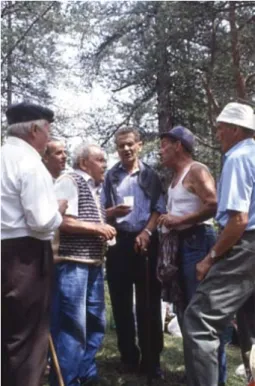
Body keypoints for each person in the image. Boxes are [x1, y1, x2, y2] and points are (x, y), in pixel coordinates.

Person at [182, 102, 255, 386]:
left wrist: (210, 257)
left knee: (199, 321)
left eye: (221, 129)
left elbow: (238, 219)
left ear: (236, 130)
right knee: (250, 325)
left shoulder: (239, 157)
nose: (218, 135)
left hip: (244, 245)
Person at [1, 102, 67, 386]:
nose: (49, 138)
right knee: (28, 343)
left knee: (5, 335)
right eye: (48, 131)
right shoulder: (30, 163)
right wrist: (59, 211)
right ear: (35, 129)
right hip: (24, 258)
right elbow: (41, 221)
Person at [158, 125, 227, 385]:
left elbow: (213, 204)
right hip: (181, 245)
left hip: (198, 241)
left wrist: (179, 220)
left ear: (179, 145)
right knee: (185, 311)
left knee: (203, 316)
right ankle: (195, 376)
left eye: (165, 145)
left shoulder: (196, 170)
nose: (161, 151)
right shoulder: (175, 177)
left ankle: (214, 379)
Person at [50, 143, 116, 386]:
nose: (105, 164)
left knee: (96, 322)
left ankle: (86, 373)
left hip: (93, 263)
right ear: (84, 162)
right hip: (72, 263)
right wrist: (97, 228)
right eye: (100, 159)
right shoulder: (70, 180)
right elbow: (61, 220)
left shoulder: (94, 188)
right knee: (73, 324)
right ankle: (65, 379)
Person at [102, 127, 166, 379]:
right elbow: (102, 210)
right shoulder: (110, 176)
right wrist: (111, 213)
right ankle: (128, 357)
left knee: (149, 303)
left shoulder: (150, 175)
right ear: (116, 149)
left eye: (130, 144)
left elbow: (159, 208)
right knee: (120, 302)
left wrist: (147, 233)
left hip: (146, 241)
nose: (126, 149)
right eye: (120, 146)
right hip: (119, 242)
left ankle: (151, 362)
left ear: (139, 145)